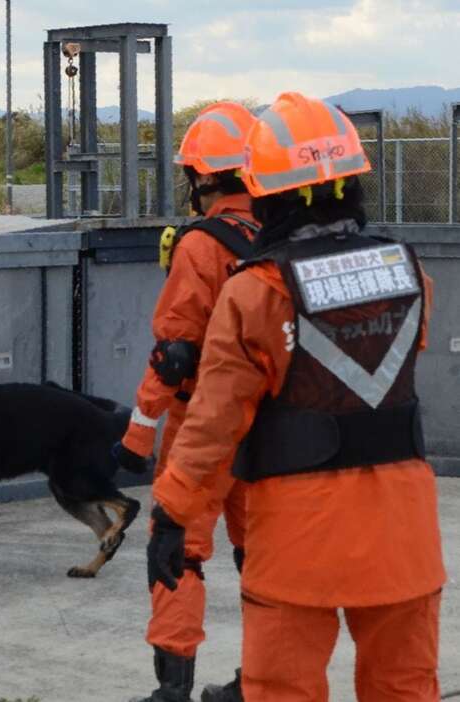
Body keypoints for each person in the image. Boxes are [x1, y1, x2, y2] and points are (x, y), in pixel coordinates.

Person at [147, 92, 445, 701]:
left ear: (266, 190)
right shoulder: (412, 275)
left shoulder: (257, 293)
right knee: (405, 688)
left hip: (296, 540)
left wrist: (170, 514)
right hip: (405, 537)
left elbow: (212, 425)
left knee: (282, 690)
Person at [114, 102, 258, 702]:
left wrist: (137, 437)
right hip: (269, 427)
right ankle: (264, 682)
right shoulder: (277, 239)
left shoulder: (201, 247)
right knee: (265, 556)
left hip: (203, 428)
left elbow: (174, 353)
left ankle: (173, 690)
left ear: (201, 178)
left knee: (178, 550)